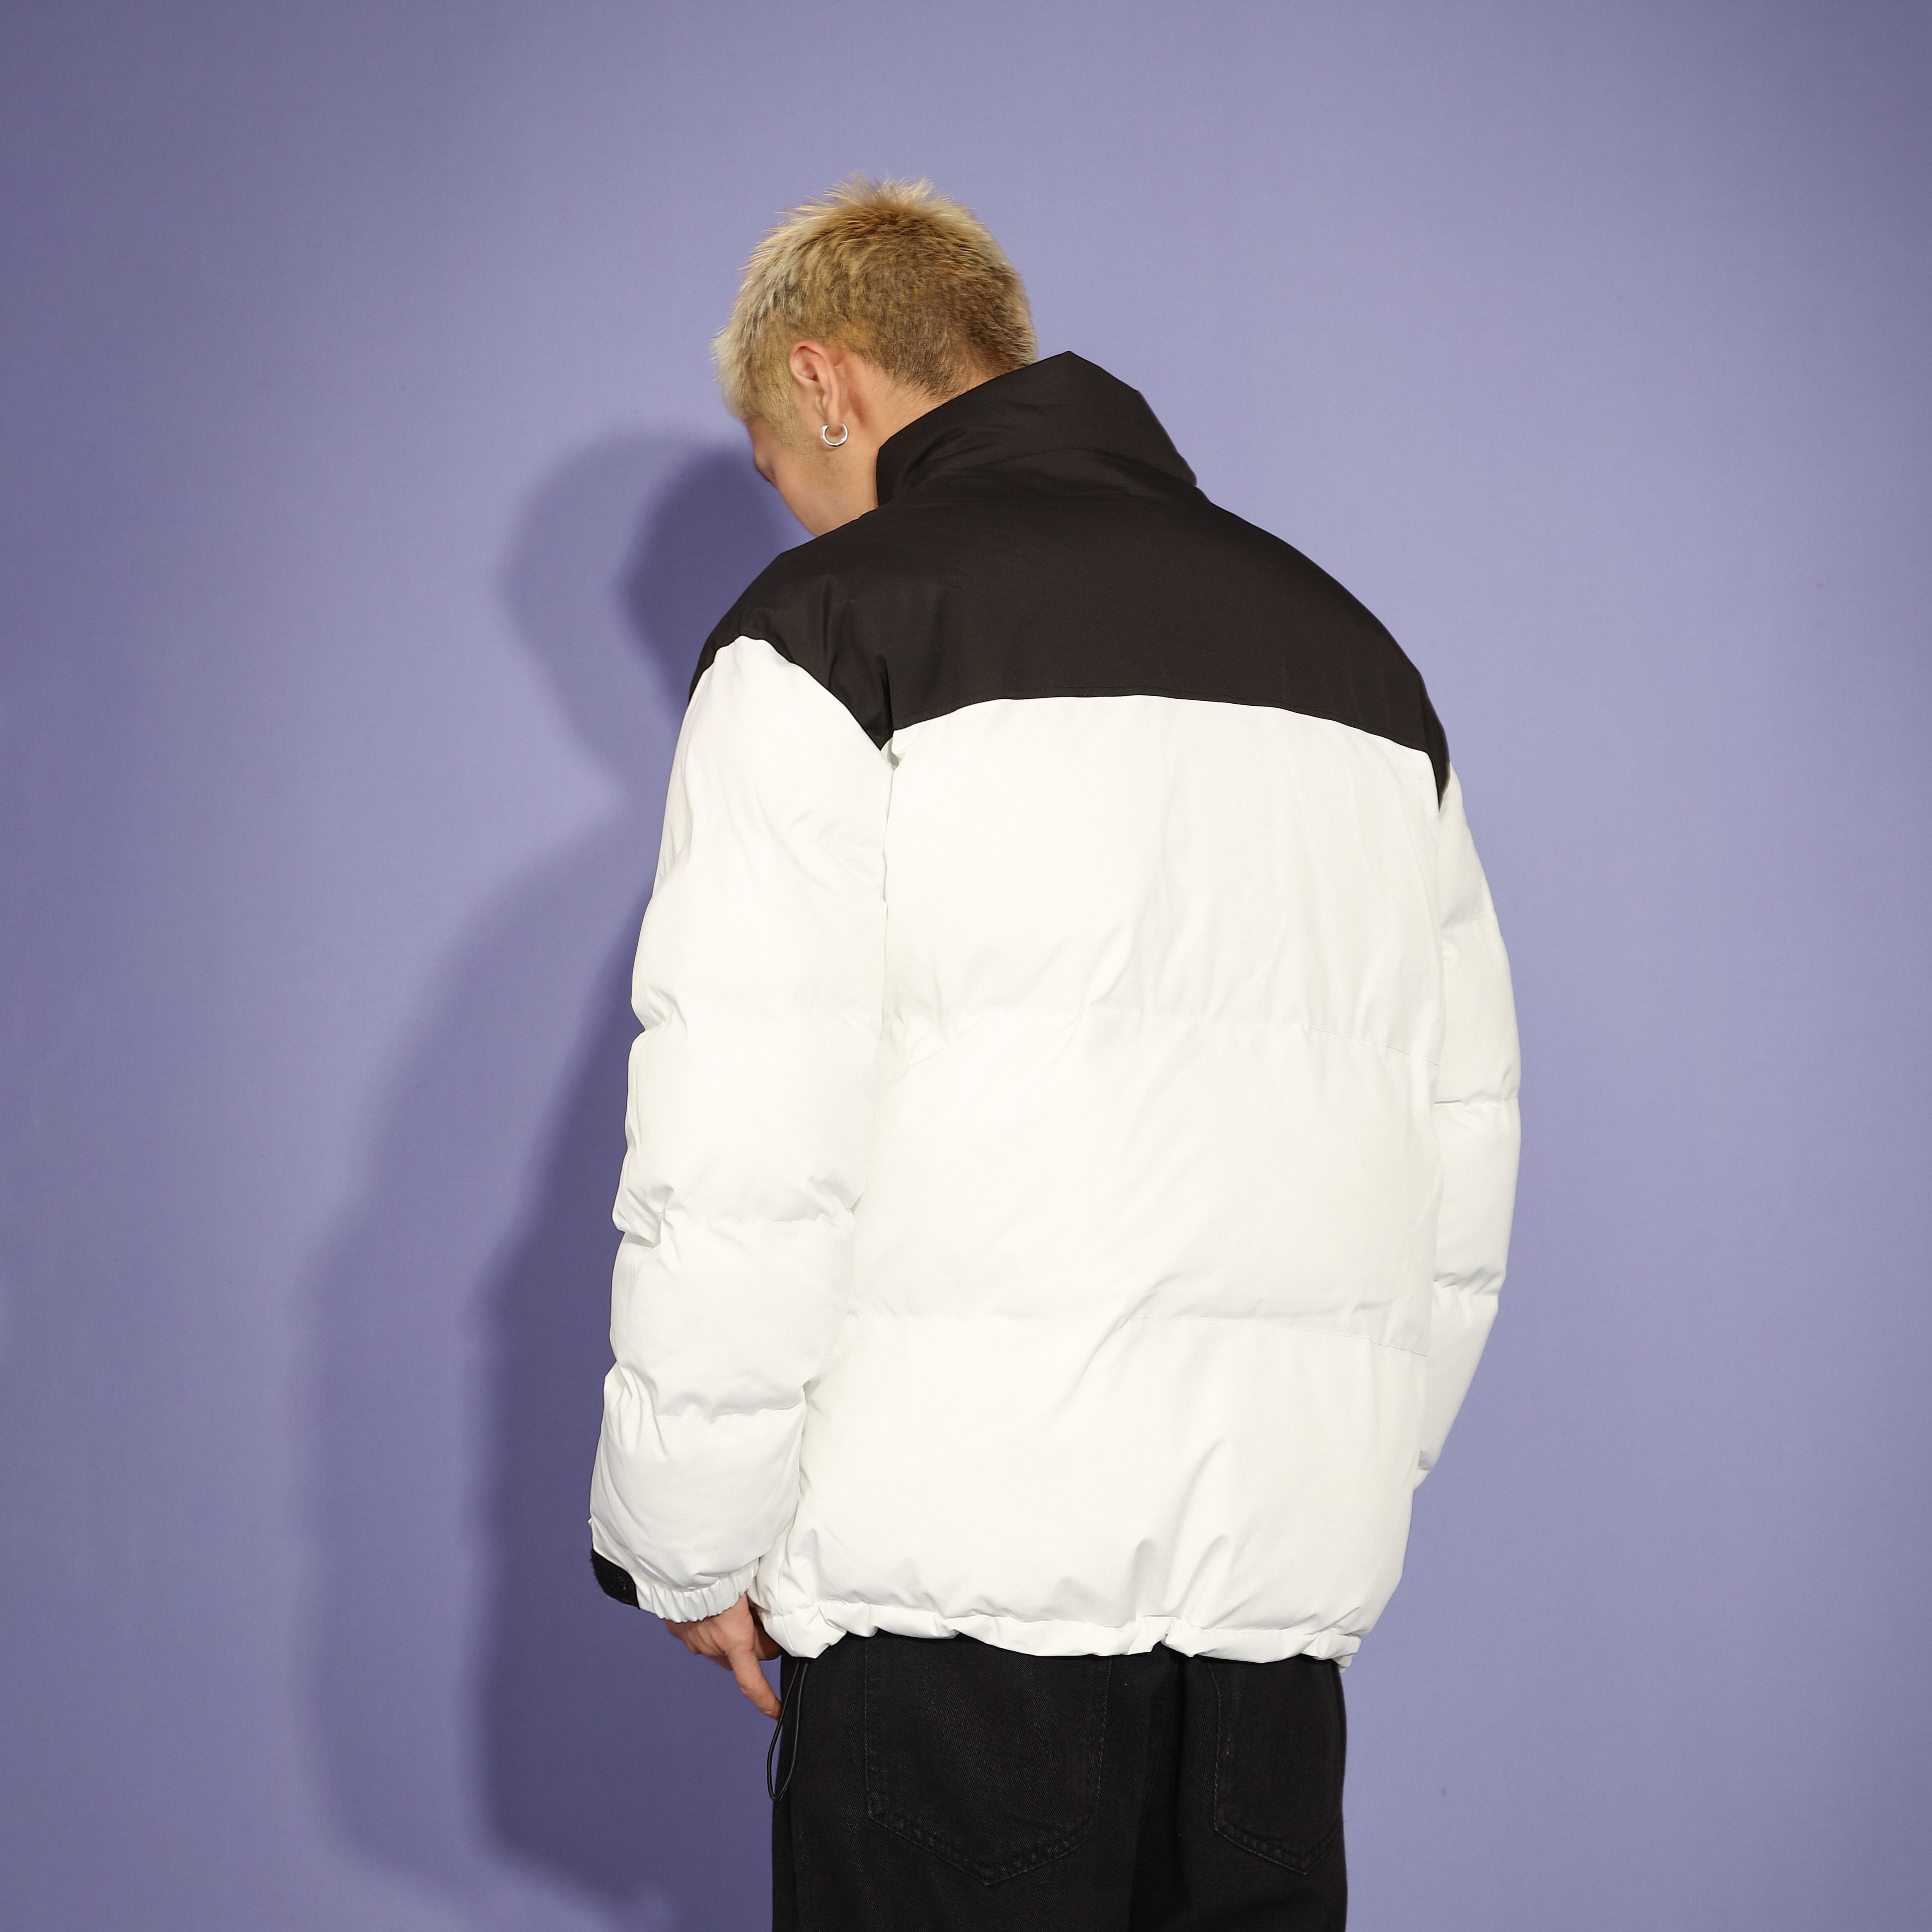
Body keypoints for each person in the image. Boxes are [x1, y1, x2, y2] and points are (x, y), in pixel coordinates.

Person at [588, 177, 1520, 1932]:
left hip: (949, 1616)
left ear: (824, 382)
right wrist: (1331, 1475)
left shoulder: (823, 629)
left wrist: (688, 1534)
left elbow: (746, 1134)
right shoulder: (1353, 660)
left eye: (776, 464)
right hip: (1264, 1639)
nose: (792, 506)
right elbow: (1458, 1141)